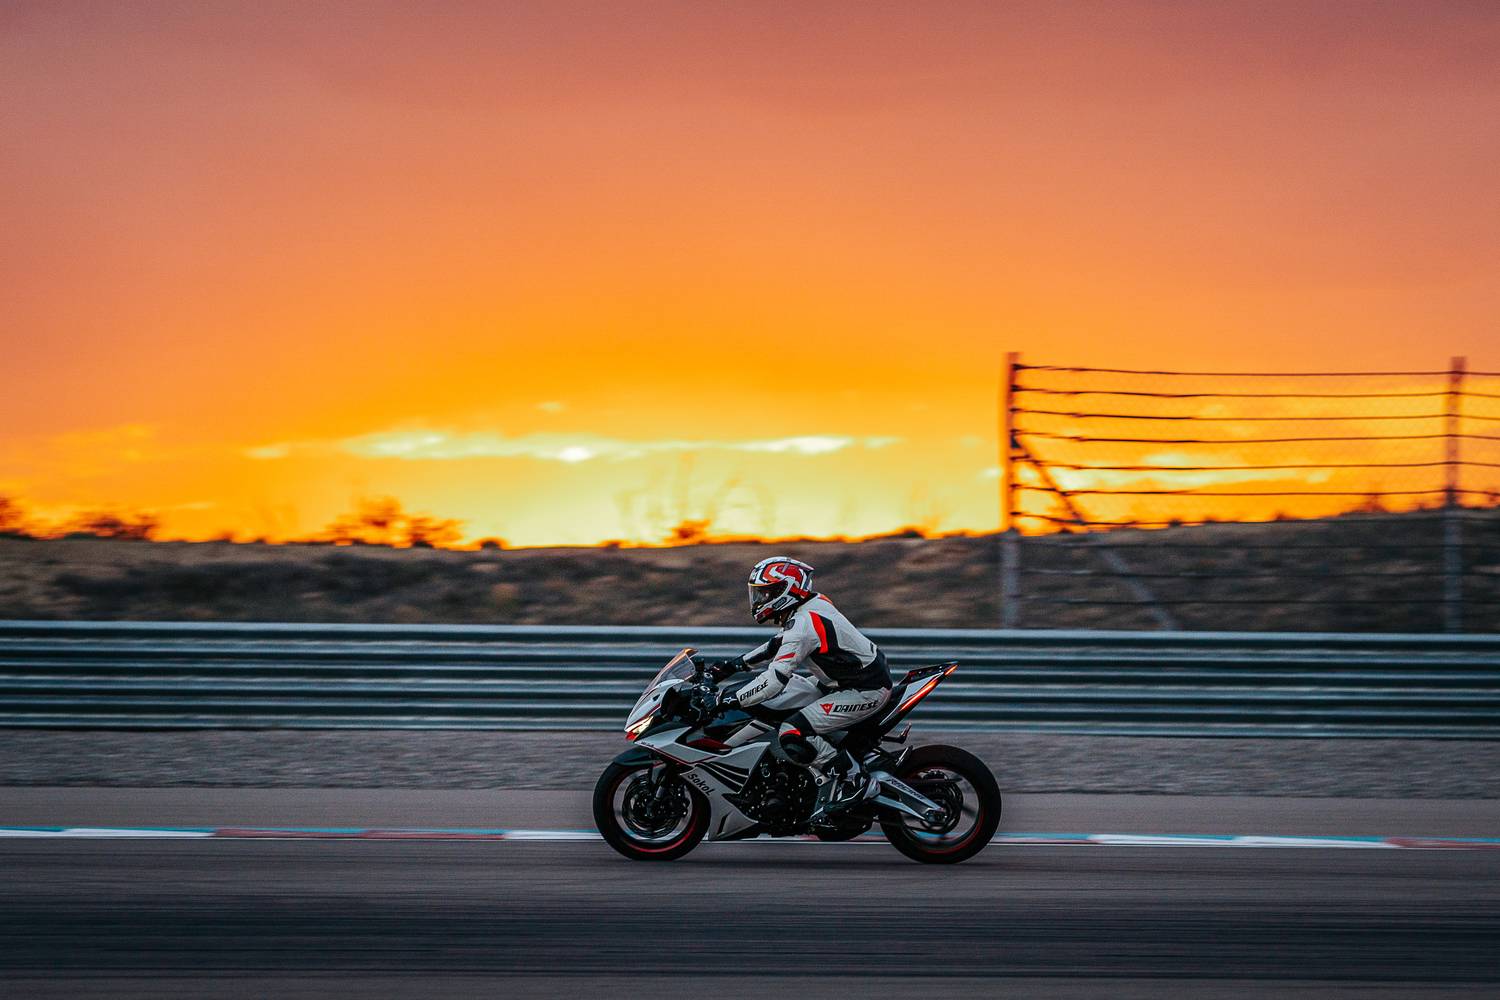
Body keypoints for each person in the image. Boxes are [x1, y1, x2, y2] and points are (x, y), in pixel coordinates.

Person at [709, 556, 893, 818]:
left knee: (792, 731)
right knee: (794, 699)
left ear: (786, 590)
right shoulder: (811, 606)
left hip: (864, 690)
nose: (759, 600)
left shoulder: (804, 624)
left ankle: (854, 782)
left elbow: (773, 681)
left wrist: (726, 700)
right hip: (844, 681)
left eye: (766, 593)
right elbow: (776, 644)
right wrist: (732, 666)